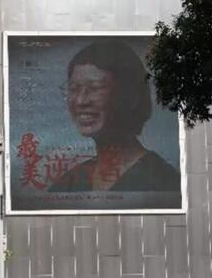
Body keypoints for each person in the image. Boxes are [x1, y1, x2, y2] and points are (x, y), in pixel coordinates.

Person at [48, 41, 180, 192]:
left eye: (95, 88)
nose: (81, 101)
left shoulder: (163, 183)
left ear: (130, 96)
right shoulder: (69, 183)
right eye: (74, 88)